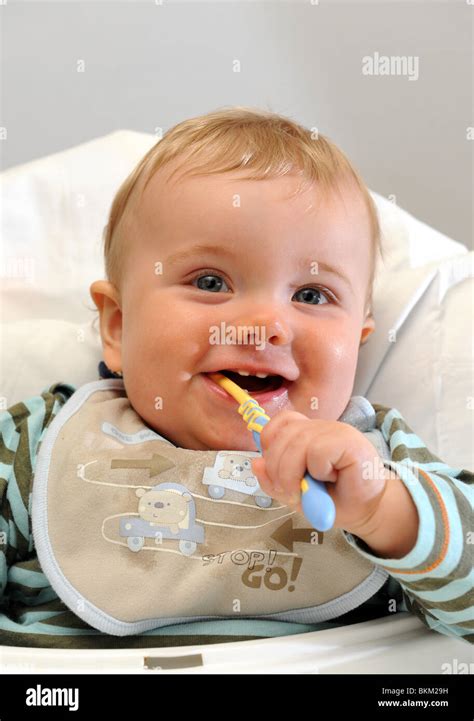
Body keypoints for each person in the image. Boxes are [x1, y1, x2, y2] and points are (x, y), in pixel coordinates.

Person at [1, 107, 471, 648]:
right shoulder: (33, 446)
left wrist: (383, 511)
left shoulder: (378, 460)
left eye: (311, 295)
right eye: (209, 281)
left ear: (358, 341)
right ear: (119, 326)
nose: (265, 327)